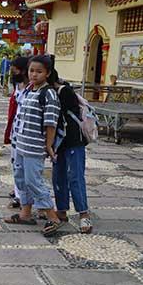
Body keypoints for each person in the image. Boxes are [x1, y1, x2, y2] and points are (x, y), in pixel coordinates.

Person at [3, 55, 66, 237]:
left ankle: (52, 217)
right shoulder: (29, 90)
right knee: (21, 179)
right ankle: (25, 212)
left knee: (33, 181)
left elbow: (50, 123)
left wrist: (49, 146)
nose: (34, 74)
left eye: (39, 71)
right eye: (32, 71)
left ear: (47, 73)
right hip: (21, 143)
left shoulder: (49, 94)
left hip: (34, 146)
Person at [51, 72, 92, 233]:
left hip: (73, 140)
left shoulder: (63, 92)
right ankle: (61, 210)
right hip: (57, 142)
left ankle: (84, 214)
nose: (34, 76)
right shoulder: (41, 92)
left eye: (38, 72)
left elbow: (62, 118)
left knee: (75, 176)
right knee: (58, 176)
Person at [3, 56, 29, 209]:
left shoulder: (33, 89)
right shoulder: (17, 86)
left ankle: (30, 201)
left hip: (28, 134)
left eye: (15, 71)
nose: (13, 74)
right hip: (16, 131)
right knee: (16, 165)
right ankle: (19, 193)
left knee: (28, 169)